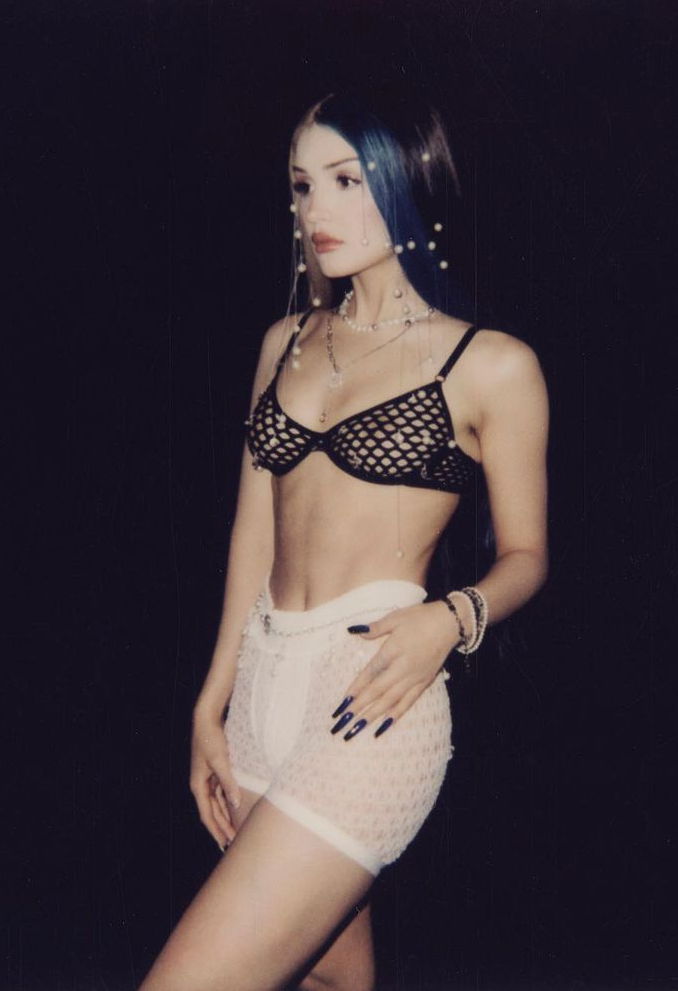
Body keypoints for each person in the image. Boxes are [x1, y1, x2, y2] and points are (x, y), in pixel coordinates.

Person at [139, 89, 549, 991]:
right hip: (262, 690)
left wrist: (453, 617)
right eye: (301, 186)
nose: (316, 209)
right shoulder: (284, 341)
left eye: (346, 180)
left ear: (409, 181)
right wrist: (211, 702)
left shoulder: (490, 362)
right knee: (330, 978)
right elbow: (253, 532)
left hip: (374, 696)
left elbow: (527, 555)